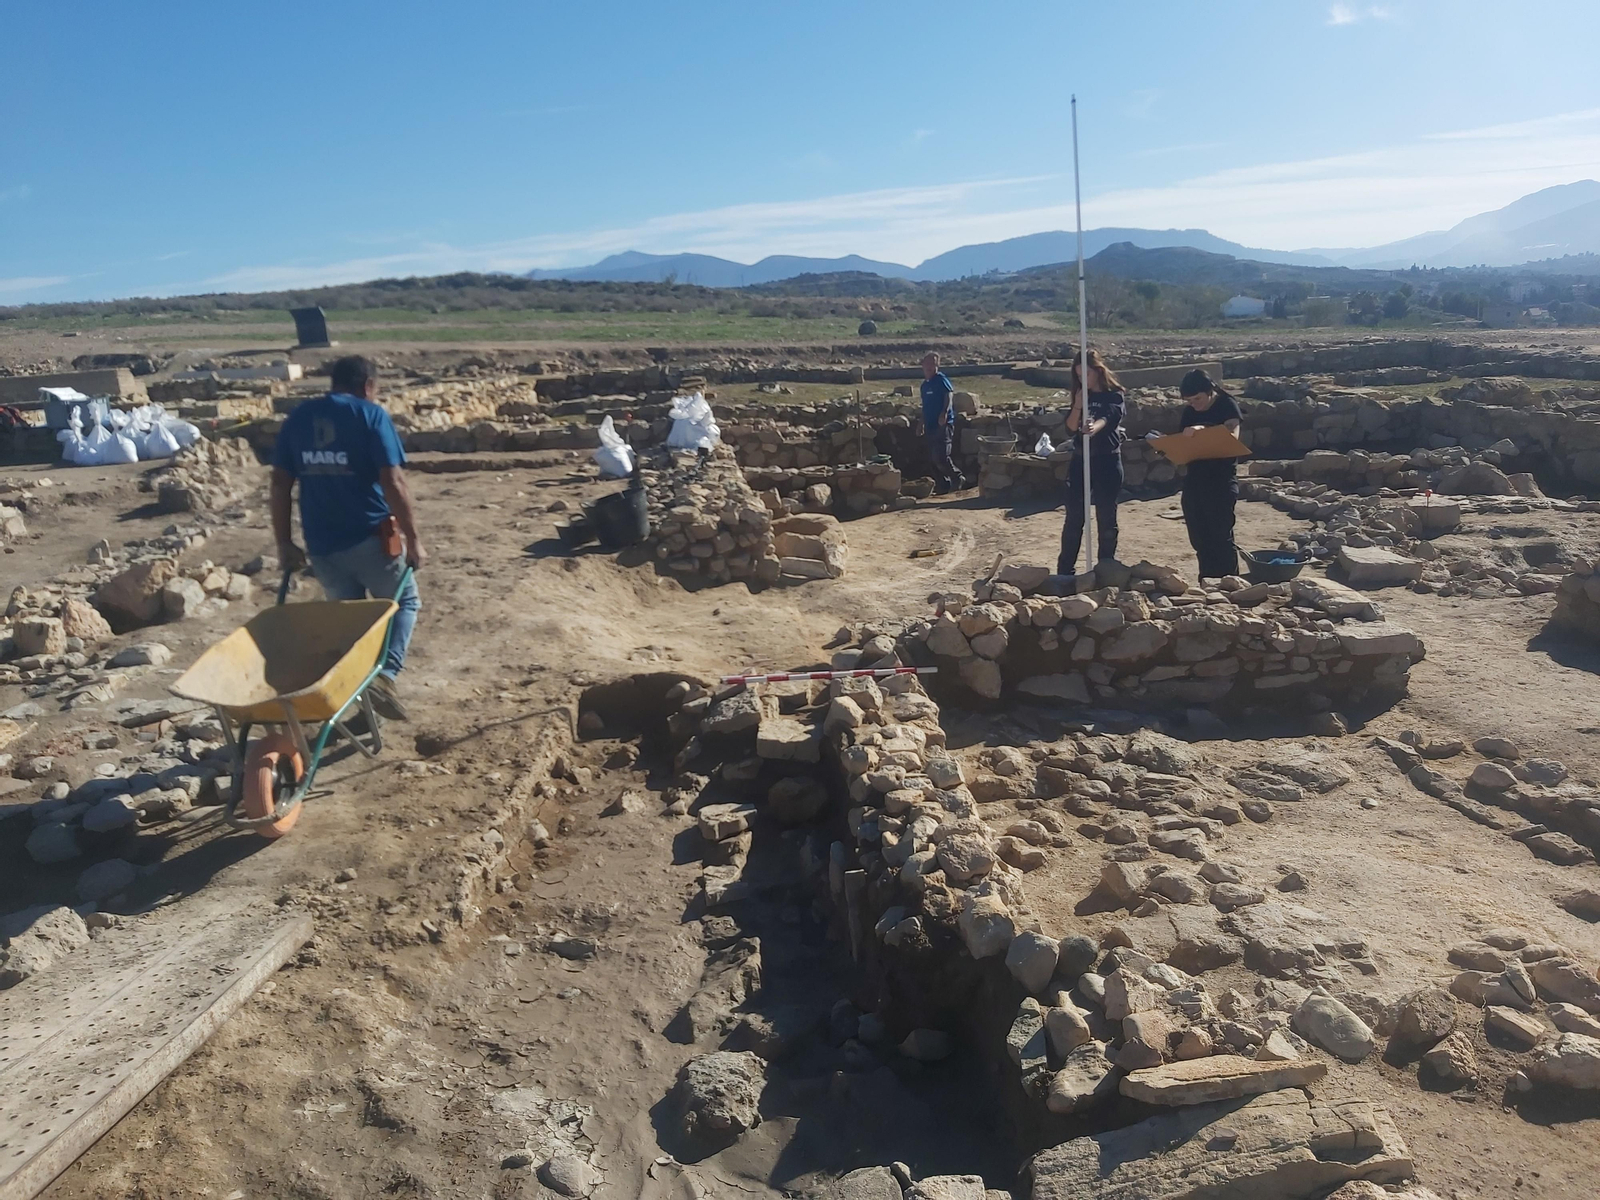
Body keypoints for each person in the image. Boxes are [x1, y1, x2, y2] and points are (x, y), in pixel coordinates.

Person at [271, 355, 425, 720]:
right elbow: (393, 481)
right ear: (368, 385)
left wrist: (284, 543)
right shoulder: (371, 416)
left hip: (322, 545)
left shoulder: (299, 418)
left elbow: (279, 483)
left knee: (353, 622)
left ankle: (361, 699)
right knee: (403, 602)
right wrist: (414, 538)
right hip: (371, 538)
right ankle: (385, 676)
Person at [1057, 349, 1126, 578]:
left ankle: (1106, 568)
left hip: (1107, 461)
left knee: (1106, 517)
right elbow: (1069, 427)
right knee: (1074, 517)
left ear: (1097, 371)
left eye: (1085, 373)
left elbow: (1108, 418)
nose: (1082, 379)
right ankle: (1065, 571)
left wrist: (1092, 428)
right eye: (1078, 375)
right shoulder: (1081, 395)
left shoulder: (1114, 395)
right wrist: (1077, 404)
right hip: (1080, 461)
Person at [1175, 367, 1244, 580]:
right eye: (1190, 400)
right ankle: (1207, 580)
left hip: (1221, 480)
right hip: (1195, 478)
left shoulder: (1227, 405)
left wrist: (1203, 431)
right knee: (1199, 535)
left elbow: (1232, 438)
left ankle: (1229, 582)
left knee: (1221, 535)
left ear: (1210, 391)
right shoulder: (1189, 412)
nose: (1195, 404)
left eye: (1198, 398)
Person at [920, 352, 965, 494]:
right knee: (932, 458)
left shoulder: (941, 380)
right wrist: (921, 422)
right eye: (927, 363)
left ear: (937, 365)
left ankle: (957, 477)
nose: (930, 367)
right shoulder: (924, 386)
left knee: (941, 455)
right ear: (923, 365)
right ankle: (943, 484)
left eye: (933, 363)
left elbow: (948, 395)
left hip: (943, 424)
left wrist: (944, 412)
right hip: (930, 425)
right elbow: (925, 406)